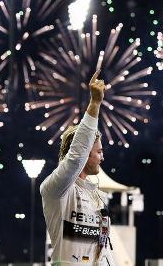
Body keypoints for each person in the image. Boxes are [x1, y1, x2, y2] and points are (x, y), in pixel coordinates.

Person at [40, 68, 115, 265]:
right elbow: (75, 158)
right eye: (98, 152)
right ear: (84, 153)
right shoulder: (55, 189)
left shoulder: (97, 196)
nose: (102, 157)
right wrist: (95, 104)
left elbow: (104, 251)